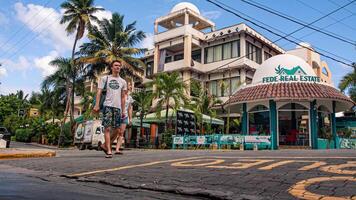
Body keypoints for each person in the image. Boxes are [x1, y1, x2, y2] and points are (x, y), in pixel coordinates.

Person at [93, 60, 127, 158]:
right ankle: (109, 150)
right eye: (116, 65)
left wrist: (123, 110)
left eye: (119, 66)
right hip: (107, 106)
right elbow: (99, 92)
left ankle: (104, 145)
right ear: (111, 67)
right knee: (107, 128)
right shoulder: (105, 78)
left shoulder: (123, 81)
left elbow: (123, 97)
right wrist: (97, 105)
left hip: (118, 108)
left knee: (117, 130)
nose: (118, 67)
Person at [115, 79, 134, 154]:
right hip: (117, 115)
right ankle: (108, 145)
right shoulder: (119, 94)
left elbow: (129, 108)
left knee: (121, 133)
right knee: (116, 131)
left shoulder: (130, 97)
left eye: (130, 85)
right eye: (129, 85)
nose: (130, 86)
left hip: (125, 116)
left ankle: (117, 149)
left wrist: (130, 118)